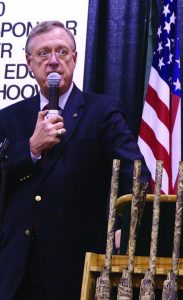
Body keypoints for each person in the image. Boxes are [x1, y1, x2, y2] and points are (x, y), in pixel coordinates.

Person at [0, 21, 151, 300]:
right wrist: (31, 149)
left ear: (75, 58)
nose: (54, 61)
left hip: (76, 264)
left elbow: (136, 175)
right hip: (16, 268)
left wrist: (121, 225)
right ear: (29, 63)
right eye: (44, 53)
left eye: (62, 52)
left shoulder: (102, 111)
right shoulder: (8, 118)